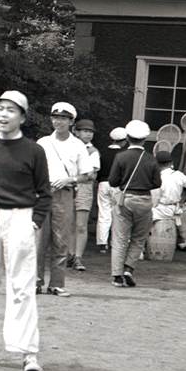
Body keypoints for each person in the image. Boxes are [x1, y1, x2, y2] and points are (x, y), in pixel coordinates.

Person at [0, 90, 51, 371]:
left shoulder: (34, 151)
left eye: (11, 110)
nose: (3, 114)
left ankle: (28, 354)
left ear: (22, 116)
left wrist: (33, 222)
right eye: (0, 109)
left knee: (22, 287)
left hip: (21, 220)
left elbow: (44, 193)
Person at [36, 102, 89, 296]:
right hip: (41, 192)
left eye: (64, 118)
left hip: (65, 192)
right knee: (38, 239)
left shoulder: (78, 145)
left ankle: (56, 283)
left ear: (71, 121)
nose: (58, 121)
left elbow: (88, 174)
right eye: (55, 117)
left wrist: (70, 178)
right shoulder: (43, 142)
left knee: (61, 238)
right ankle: (35, 281)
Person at [107, 119, 160, 287]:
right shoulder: (151, 159)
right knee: (138, 238)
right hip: (144, 200)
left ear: (128, 137)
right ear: (145, 139)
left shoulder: (121, 156)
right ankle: (129, 268)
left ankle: (116, 275)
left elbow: (113, 181)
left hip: (125, 199)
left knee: (120, 239)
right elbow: (157, 183)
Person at [70, 118, 100, 271]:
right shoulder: (68, 147)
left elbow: (92, 175)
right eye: (85, 131)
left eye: (90, 132)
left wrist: (76, 176)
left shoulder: (93, 151)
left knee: (81, 225)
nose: (88, 134)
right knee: (67, 223)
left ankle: (77, 257)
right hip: (67, 187)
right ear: (76, 131)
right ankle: (68, 255)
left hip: (84, 188)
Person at [95, 127, 128, 253]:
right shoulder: (124, 155)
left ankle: (102, 243)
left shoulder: (102, 153)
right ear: (124, 141)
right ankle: (115, 242)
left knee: (103, 213)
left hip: (103, 183)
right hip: (118, 185)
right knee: (118, 214)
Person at [151, 150, 186, 223]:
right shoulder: (179, 175)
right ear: (171, 163)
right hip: (175, 210)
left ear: (156, 164)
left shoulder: (157, 177)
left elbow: (154, 200)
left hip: (159, 211)